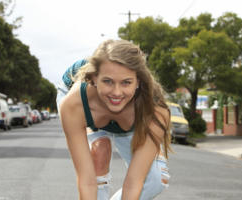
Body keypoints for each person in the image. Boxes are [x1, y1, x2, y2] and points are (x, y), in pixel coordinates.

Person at [56, 39, 171, 200]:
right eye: (108, 81)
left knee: (156, 179)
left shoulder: (155, 111)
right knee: (100, 149)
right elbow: (86, 181)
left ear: (138, 81)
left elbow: (134, 182)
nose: (116, 92)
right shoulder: (74, 104)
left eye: (126, 82)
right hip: (85, 100)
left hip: (131, 110)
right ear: (94, 78)